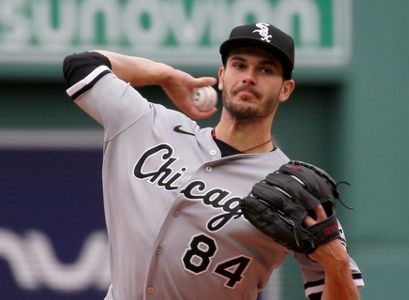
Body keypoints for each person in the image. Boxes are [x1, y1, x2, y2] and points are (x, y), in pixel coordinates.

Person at [63, 22, 364, 300]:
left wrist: (335, 261)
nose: (249, 76)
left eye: (266, 69)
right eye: (239, 65)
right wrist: (165, 74)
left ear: (286, 89)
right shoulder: (149, 125)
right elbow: (82, 64)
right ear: (222, 76)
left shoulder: (295, 188)